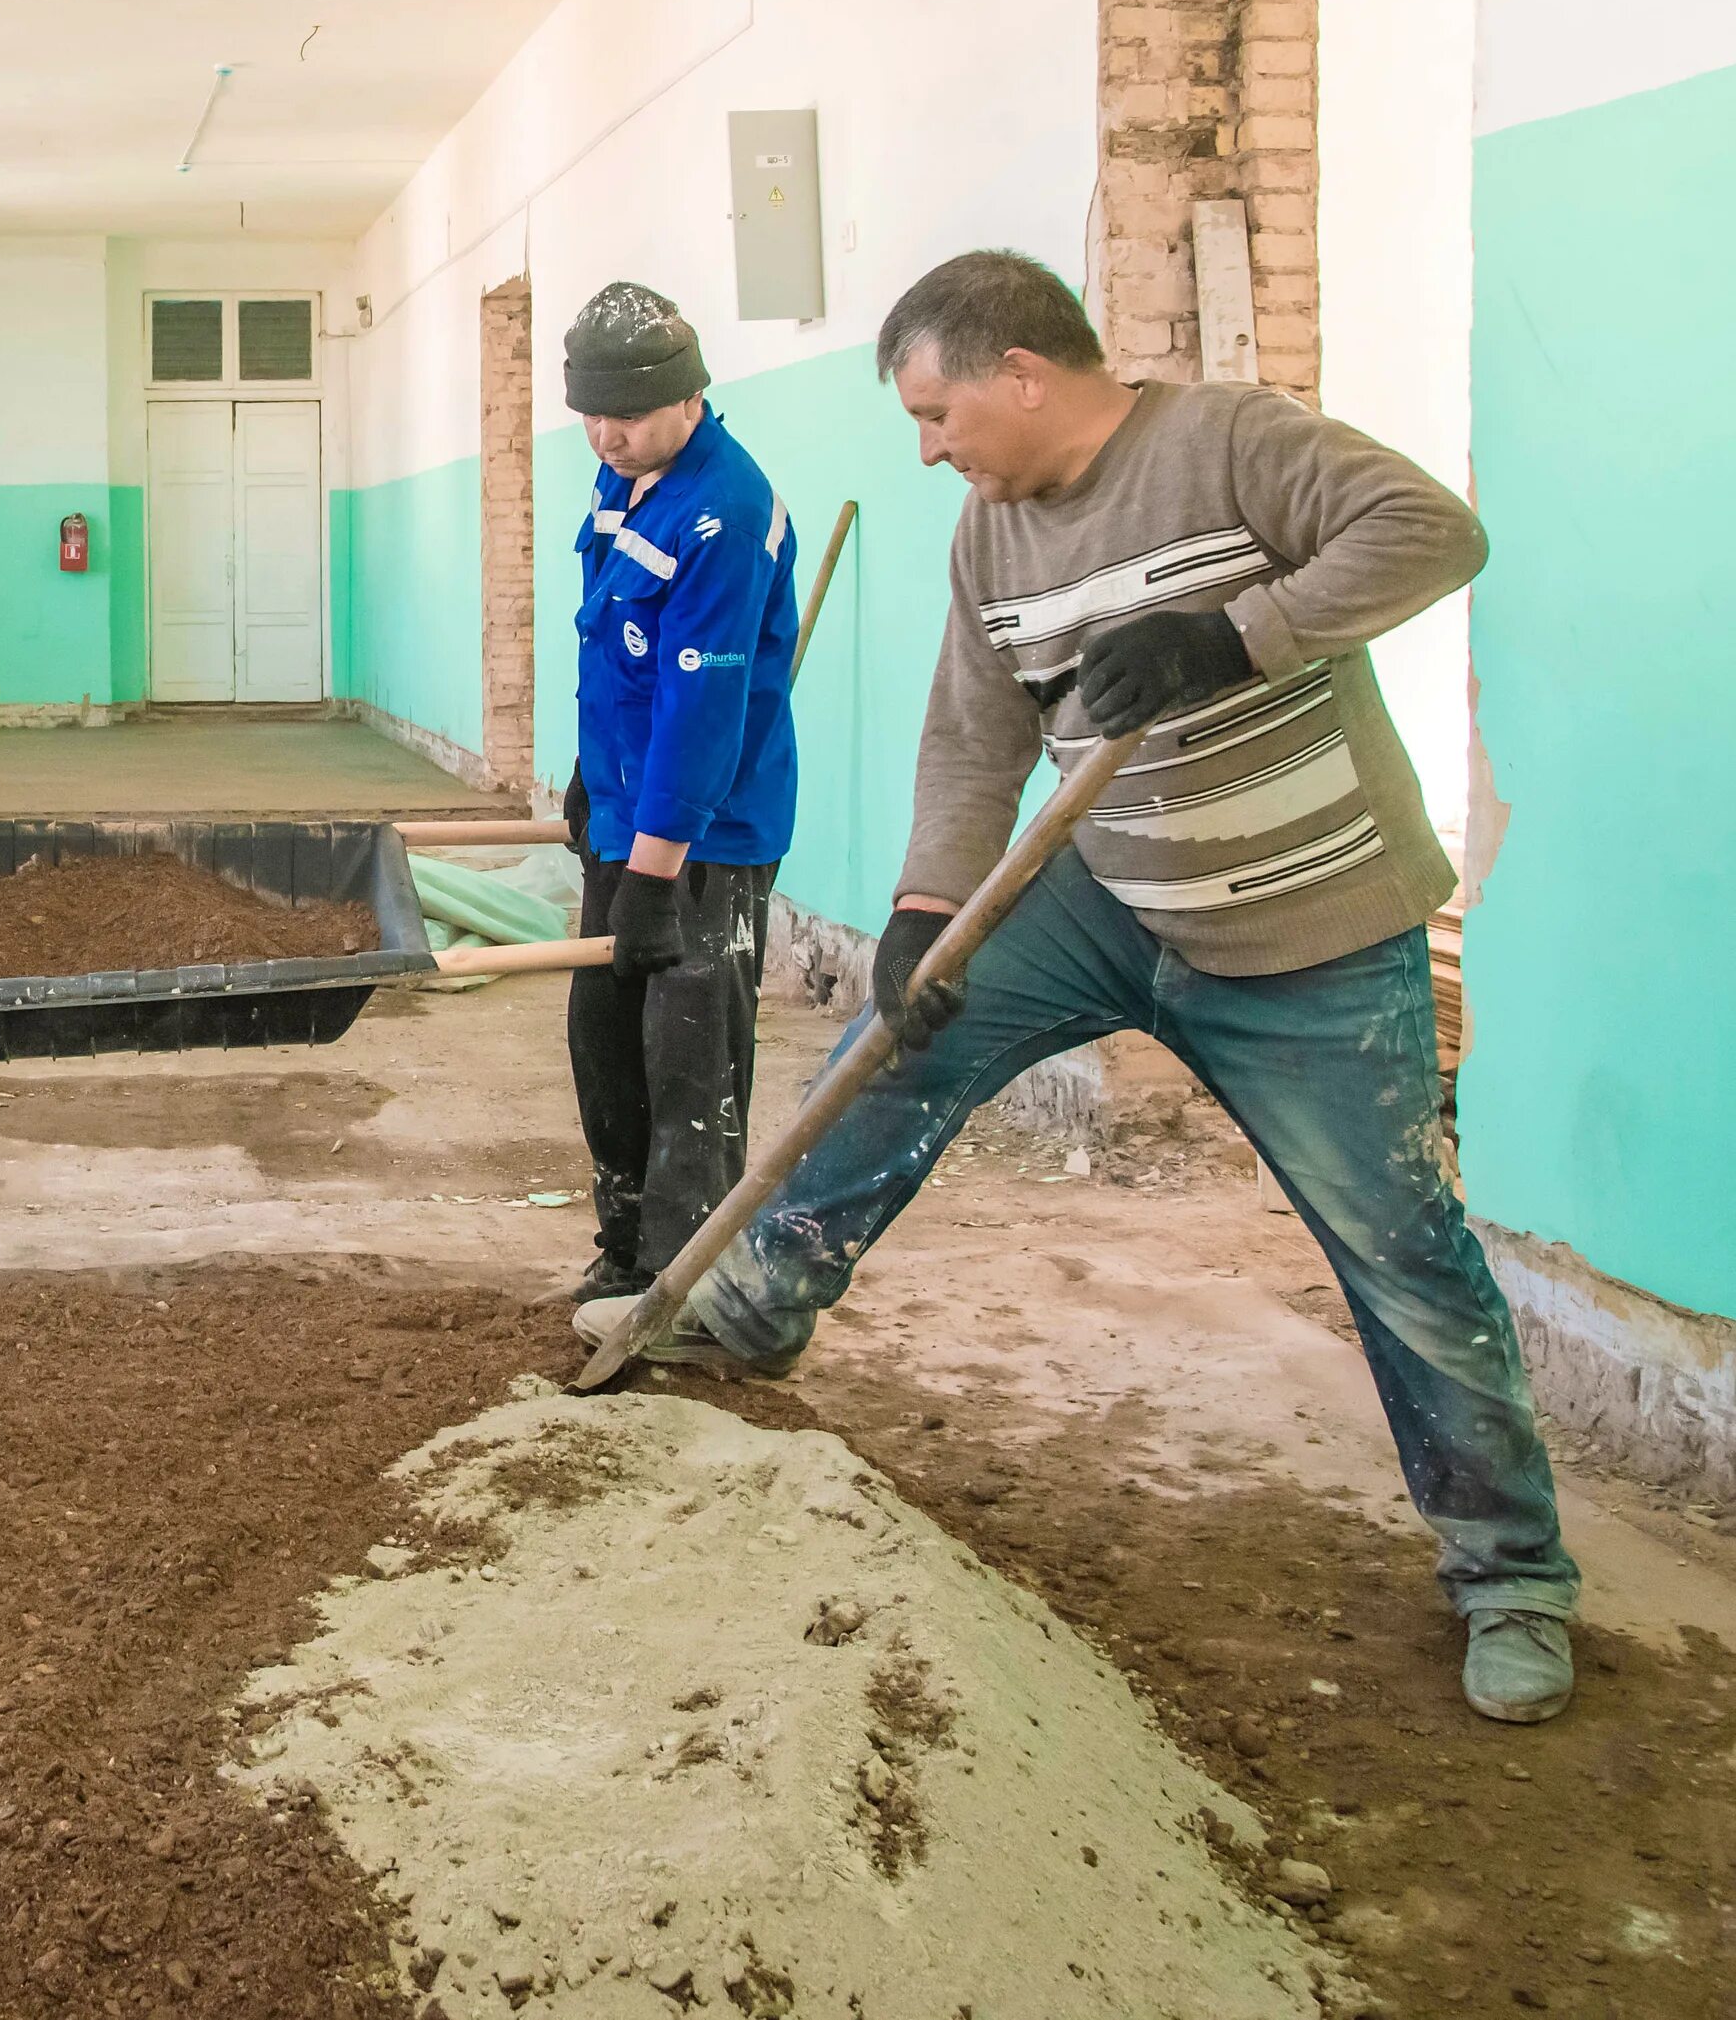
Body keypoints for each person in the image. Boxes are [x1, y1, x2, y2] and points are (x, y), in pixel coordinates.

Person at [576, 249, 1579, 1723]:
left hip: (1310, 928)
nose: (927, 449)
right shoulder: (992, 537)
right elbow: (973, 740)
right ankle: (759, 1299)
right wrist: (925, 911)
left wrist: (1234, 634)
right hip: (1106, 895)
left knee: (1401, 1245)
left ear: (1020, 375)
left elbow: (1435, 532)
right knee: (892, 1044)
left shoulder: (1232, 443)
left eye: (934, 413)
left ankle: (1513, 1574)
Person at [556, 283, 799, 1307]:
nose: (607, 436)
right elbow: (622, 658)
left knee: (686, 1065)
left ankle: (683, 1284)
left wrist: (655, 874)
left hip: (702, 836)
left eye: (629, 415)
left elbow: (703, 709)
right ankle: (624, 1247)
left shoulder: (724, 513)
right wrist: (590, 777)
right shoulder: (629, 482)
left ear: (691, 396)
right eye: (592, 416)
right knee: (603, 1039)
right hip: (631, 815)